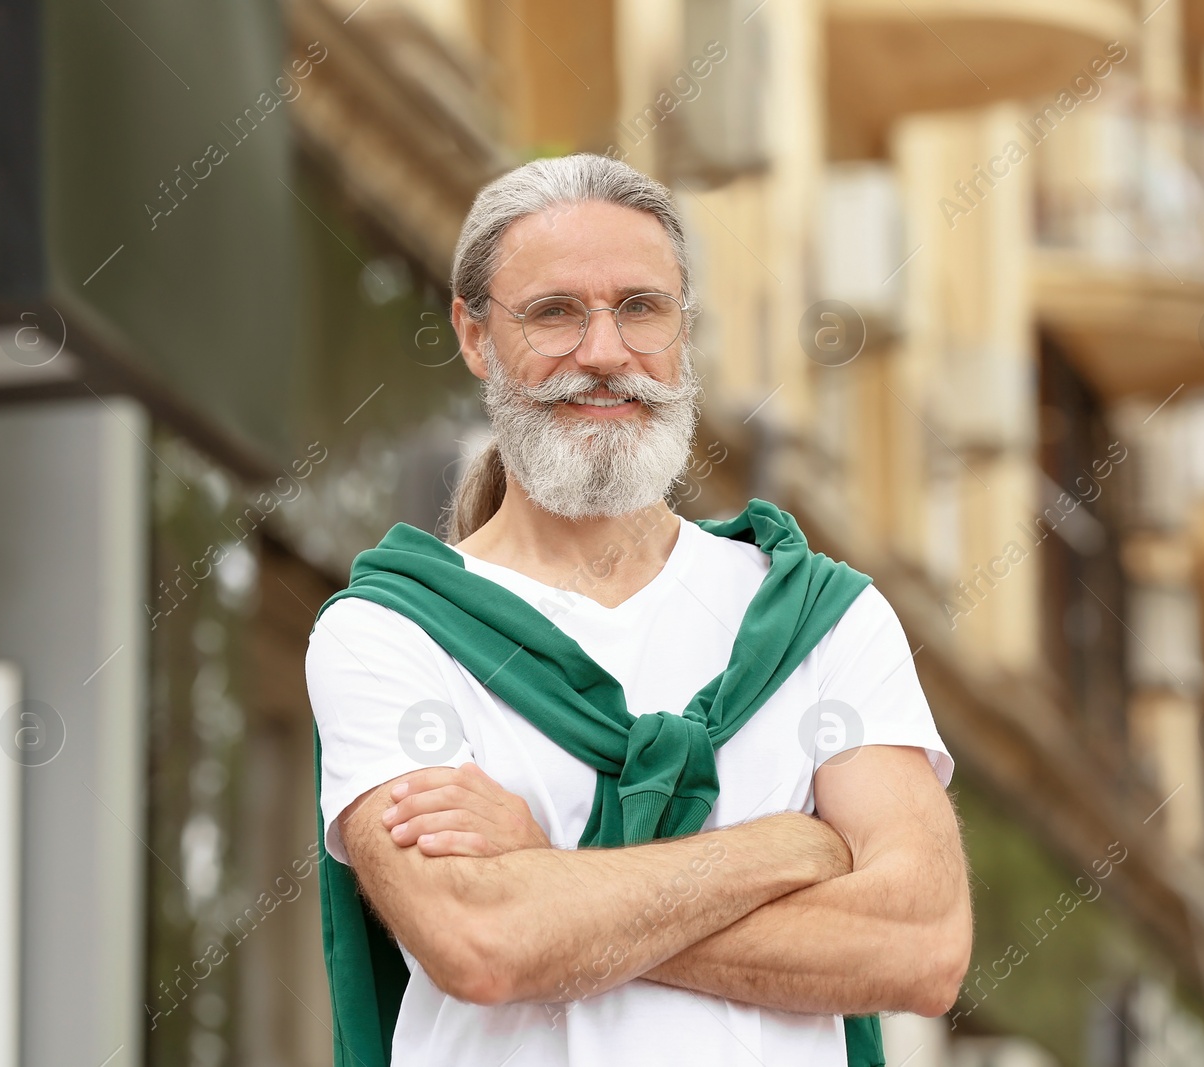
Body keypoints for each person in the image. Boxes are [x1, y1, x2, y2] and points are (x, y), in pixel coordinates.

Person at [305, 152, 972, 1067]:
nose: (606, 352)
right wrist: (783, 847)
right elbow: (483, 944)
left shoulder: (823, 619)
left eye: (641, 308)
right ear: (473, 334)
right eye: (555, 313)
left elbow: (921, 945)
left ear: (683, 329)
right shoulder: (389, 632)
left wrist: (554, 876)